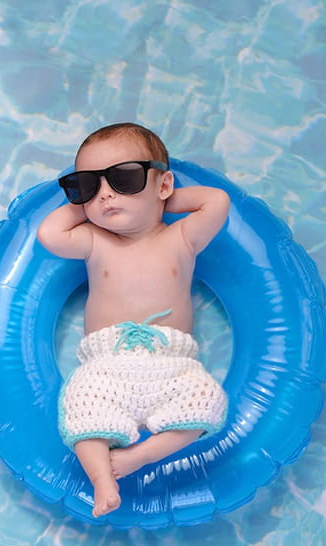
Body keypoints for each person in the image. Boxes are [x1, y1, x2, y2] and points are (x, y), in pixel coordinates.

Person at [36, 123, 230, 517]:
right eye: (87, 185)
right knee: (80, 406)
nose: (106, 193)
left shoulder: (182, 238)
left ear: (163, 185)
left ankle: (138, 457)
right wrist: (93, 205)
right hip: (107, 363)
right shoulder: (95, 241)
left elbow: (217, 201)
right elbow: (49, 233)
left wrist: (162, 200)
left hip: (171, 362)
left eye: (124, 178)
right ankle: (102, 479)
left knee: (207, 402)